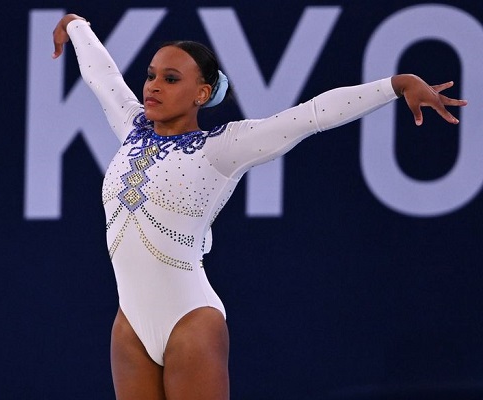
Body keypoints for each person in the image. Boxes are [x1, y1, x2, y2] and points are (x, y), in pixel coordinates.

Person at [51, 13, 466, 400]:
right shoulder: (131, 126)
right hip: (129, 326)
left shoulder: (224, 148)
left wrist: (396, 84)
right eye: (151, 75)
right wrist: (76, 26)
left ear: (203, 92)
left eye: (171, 78)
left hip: (189, 323)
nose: (153, 86)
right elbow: (101, 76)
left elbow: (311, 116)